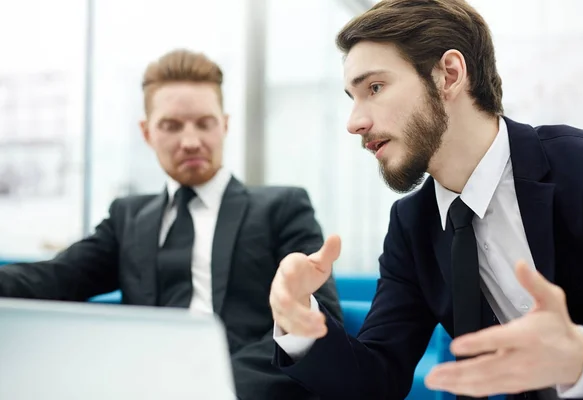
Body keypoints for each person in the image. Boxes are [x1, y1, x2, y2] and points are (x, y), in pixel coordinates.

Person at [268, 1, 583, 399]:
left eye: (374, 88)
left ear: (449, 75)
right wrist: (302, 326)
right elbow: (375, 377)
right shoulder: (412, 226)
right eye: (351, 97)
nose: (354, 122)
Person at [0, 49, 342, 400]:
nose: (191, 141)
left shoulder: (282, 208)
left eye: (204, 123)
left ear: (224, 124)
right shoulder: (127, 218)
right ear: (147, 132)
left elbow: (321, 317)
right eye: (172, 125)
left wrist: (215, 389)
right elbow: (55, 278)